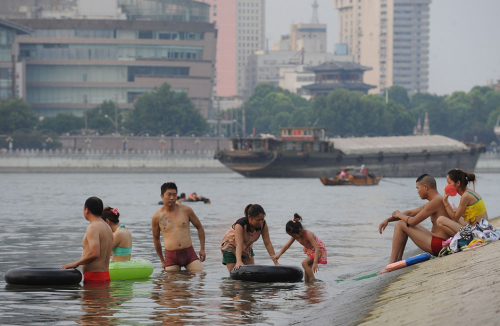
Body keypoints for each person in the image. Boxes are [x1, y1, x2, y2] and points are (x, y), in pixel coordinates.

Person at [378, 174, 452, 274]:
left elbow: (412, 221)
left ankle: (391, 262)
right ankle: (398, 259)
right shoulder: (436, 200)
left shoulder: (436, 201)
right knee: (402, 221)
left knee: (401, 224)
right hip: (437, 240)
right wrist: (388, 219)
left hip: (438, 245)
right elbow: (410, 213)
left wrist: (398, 214)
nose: (417, 192)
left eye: (418, 188)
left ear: (425, 187)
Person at [152, 182, 206, 271]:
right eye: (169, 195)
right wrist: (162, 260)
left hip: (189, 253)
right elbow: (156, 239)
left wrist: (202, 249)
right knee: (171, 282)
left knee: (201, 276)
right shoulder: (157, 216)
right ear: (162, 196)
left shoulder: (186, 210)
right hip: (171, 256)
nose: (172, 198)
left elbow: (199, 227)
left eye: (174, 195)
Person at [62, 197, 114, 284]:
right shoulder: (107, 227)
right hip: (105, 275)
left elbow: (95, 253)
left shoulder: (93, 227)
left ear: (86, 210)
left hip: (94, 277)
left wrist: (76, 263)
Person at [221, 204, 279, 273]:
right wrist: (239, 261)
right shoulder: (240, 224)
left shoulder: (263, 225)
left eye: (262, 219)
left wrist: (276, 263)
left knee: (250, 273)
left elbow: (268, 243)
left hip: (246, 247)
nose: (260, 222)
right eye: (258, 220)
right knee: (236, 274)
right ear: (249, 217)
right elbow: (239, 244)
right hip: (230, 246)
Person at [272, 213, 327, 281]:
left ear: (300, 230)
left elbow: (316, 247)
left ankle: (313, 280)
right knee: (306, 274)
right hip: (311, 250)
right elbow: (286, 246)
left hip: (318, 249)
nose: (293, 237)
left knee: (304, 263)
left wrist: (315, 263)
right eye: (291, 235)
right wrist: (278, 255)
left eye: (294, 235)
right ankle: (308, 286)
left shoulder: (307, 234)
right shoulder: (295, 235)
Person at [436, 169, 488, 235]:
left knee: (440, 220)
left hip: (478, 232)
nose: (447, 186)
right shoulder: (471, 192)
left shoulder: (465, 196)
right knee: (453, 211)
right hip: (483, 228)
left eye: (449, 183)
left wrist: (445, 201)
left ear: (458, 183)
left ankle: (462, 239)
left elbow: (455, 218)